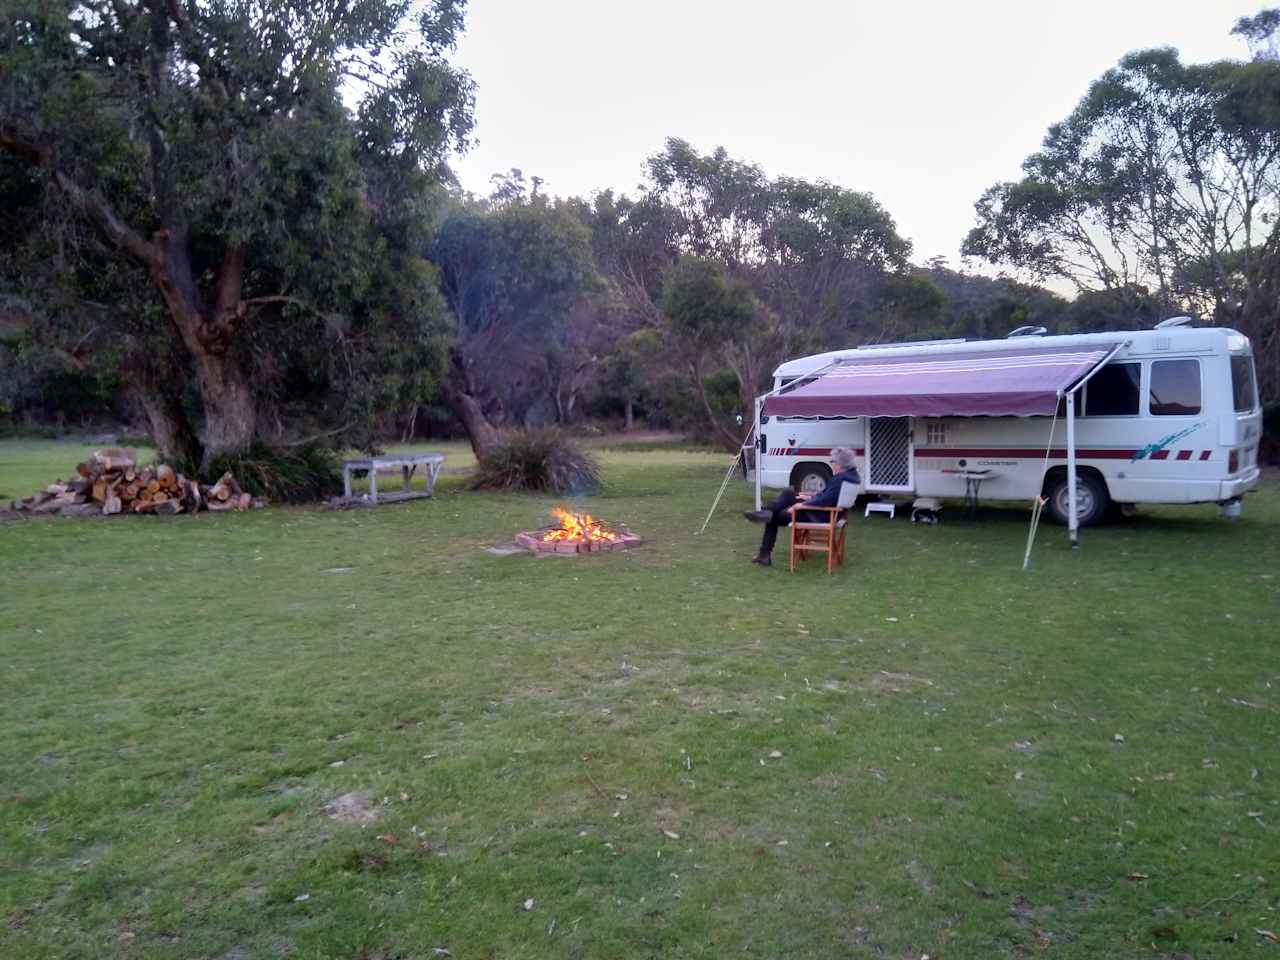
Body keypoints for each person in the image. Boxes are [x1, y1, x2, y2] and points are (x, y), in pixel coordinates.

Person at [743, 447, 861, 566]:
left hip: (819, 516)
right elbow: (828, 497)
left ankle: (764, 551)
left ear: (840, 464)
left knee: (774, 516)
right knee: (788, 494)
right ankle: (766, 513)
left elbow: (826, 500)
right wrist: (811, 497)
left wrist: (801, 505)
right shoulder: (852, 477)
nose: (832, 464)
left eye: (833, 461)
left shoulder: (840, 479)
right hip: (828, 514)